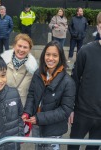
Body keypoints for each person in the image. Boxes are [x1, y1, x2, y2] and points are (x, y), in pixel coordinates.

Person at [22, 41, 75, 150]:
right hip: (36, 125)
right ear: (43, 55)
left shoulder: (68, 82)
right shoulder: (38, 73)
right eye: (48, 54)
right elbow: (31, 94)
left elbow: (65, 110)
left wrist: (39, 118)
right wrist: (27, 112)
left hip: (53, 129)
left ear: (60, 58)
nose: (50, 58)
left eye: (55, 55)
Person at [68, 11, 101, 150]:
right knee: (73, 148)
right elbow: (74, 80)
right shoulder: (85, 51)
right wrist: (71, 108)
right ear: (99, 27)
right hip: (81, 113)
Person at [1, 33, 38, 106]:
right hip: (3, 106)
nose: (21, 49)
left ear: (29, 49)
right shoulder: (2, 63)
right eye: (19, 46)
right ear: (14, 46)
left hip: (22, 109)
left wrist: (28, 112)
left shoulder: (33, 69)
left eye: (25, 47)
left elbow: (33, 93)